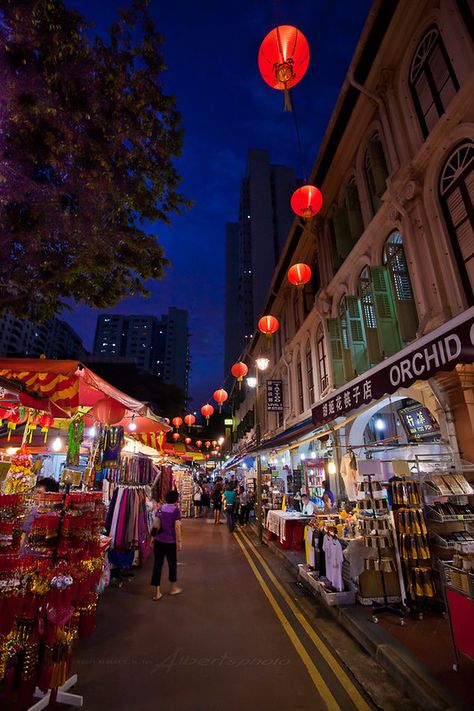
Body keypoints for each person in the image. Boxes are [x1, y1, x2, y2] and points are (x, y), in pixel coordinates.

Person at [151, 490, 182, 600]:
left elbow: (155, 524)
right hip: (170, 542)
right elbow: (177, 527)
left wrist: (152, 537)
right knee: (172, 564)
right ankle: (173, 588)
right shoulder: (176, 511)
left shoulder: (160, 509)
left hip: (159, 541)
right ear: (176, 499)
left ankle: (157, 592)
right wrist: (179, 542)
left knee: (157, 565)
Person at [20, 477, 60, 554]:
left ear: (50, 495)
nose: (35, 496)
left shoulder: (55, 515)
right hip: (29, 555)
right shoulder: (34, 511)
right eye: (35, 492)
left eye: (39, 493)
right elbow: (24, 534)